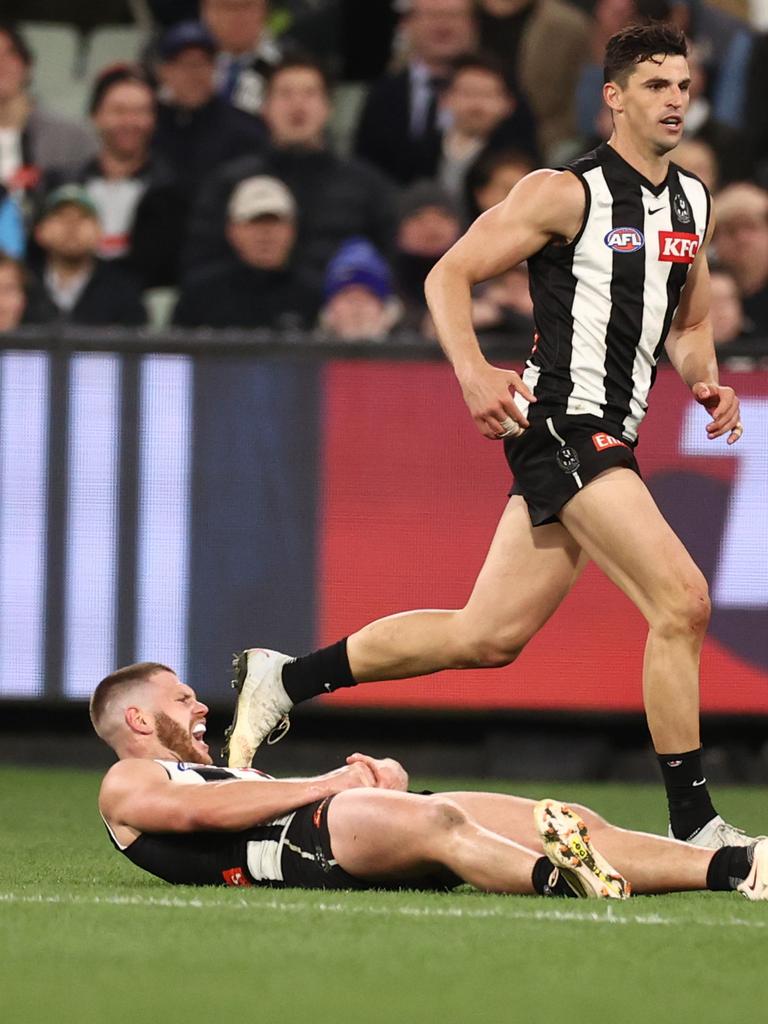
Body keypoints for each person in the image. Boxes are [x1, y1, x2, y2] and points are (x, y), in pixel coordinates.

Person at [224, 23, 753, 852]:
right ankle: (696, 826)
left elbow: (686, 320)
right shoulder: (562, 191)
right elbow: (448, 274)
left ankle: (286, 679)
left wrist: (704, 378)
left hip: (611, 433)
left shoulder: (694, 202)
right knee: (682, 601)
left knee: (488, 635)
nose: (675, 99)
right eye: (656, 85)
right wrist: (472, 370)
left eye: (683, 85)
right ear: (612, 97)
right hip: (564, 424)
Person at [90, 662, 768, 899]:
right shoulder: (126, 781)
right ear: (136, 718)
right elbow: (201, 818)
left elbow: (236, 797)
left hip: (343, 825)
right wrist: (327, 784)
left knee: (566, 814)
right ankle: (562, 879)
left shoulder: (211, 768)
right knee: (440, 822)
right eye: (181, 700)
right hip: (301, 849)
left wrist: (375, 783)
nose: (200, 706)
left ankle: (738, 863)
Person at [184, 56, 397, 289]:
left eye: (309, 94)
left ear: (328, 107)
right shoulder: (229, 182)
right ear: (265, 107)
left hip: (335, 316)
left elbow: (387, 264)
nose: (298, 105)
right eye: (285, 94)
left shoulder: (366, 186)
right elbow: (200, 261)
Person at [354, 0, 478, 186]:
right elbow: (365, 164)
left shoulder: (497, 88)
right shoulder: (382, 94)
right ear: (406, 23)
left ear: (473, 24)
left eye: (454, 15)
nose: (443, 25)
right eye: (433, 15)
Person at [173, 175, 320, 329]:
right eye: (254, 222)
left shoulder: (315, 294)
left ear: (292, 230)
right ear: (232, 230)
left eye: (275, 222)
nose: (266, 234)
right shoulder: (200, 293)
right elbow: (166, 351)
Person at [153, 21, 268, 202]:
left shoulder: (245, 130)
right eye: (184, 64)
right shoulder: (148, 126)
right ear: (164, 71)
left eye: (202, 63)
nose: (193, 74)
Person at [34, 185, 146, 326]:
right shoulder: (22, 284)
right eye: (60, 217)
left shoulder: (123, 287)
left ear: (100, 231)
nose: (71, 226)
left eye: (82, 217)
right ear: (40, 232)